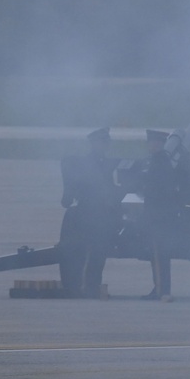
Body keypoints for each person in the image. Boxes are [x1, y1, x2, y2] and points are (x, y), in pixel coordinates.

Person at [59, 127, 121, 297]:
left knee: (99, 254)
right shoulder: (83, 164)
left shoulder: (107, 163)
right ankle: (78, 287)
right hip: (87, 213)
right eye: (101, 142)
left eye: (106, 142)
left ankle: (92, 287)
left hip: (102, 215)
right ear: (93, 144)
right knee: (81, 253)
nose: (105, 145)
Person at [142, 129, 181, 302]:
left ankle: (161, 290)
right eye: (150, 142)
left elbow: (156, 191)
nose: (152, 145)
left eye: (155, 142)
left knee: (158, 255)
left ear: (160, 144)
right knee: (160, 256)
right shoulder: (160, 161)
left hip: (159, 217)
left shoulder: (159, 163)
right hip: (162, 216)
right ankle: (161, 288)